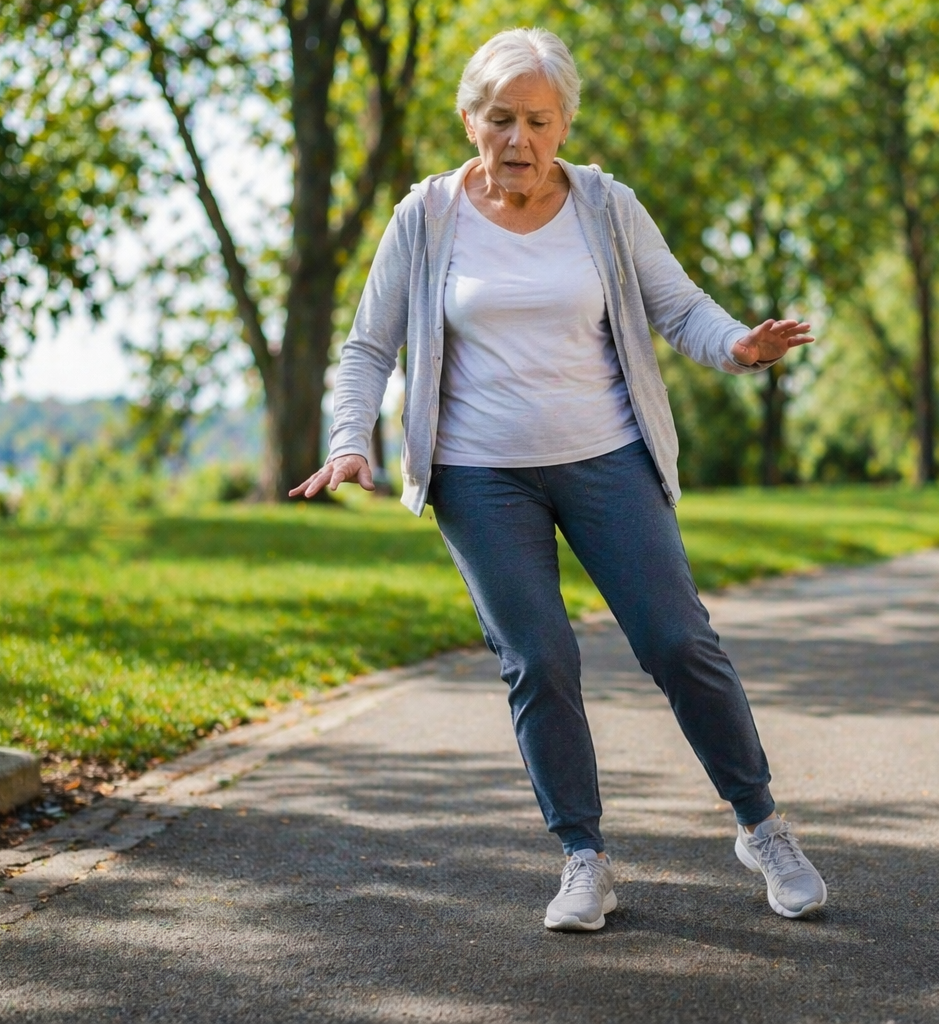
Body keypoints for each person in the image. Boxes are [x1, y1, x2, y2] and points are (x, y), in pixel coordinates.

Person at [291, 27, 826, 932]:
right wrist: (351, 440)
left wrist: (738, 344)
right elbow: (368, 346)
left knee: (679, 643)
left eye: (538, 120)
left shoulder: (607, 207)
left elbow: (679, 306)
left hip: (608, 457)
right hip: (478, 476)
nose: (519, 140)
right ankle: (583, 858)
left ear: (564, 124)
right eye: (501, 118)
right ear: (470, 121)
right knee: (539, 660)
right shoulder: (426, 216)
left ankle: (761, 825)